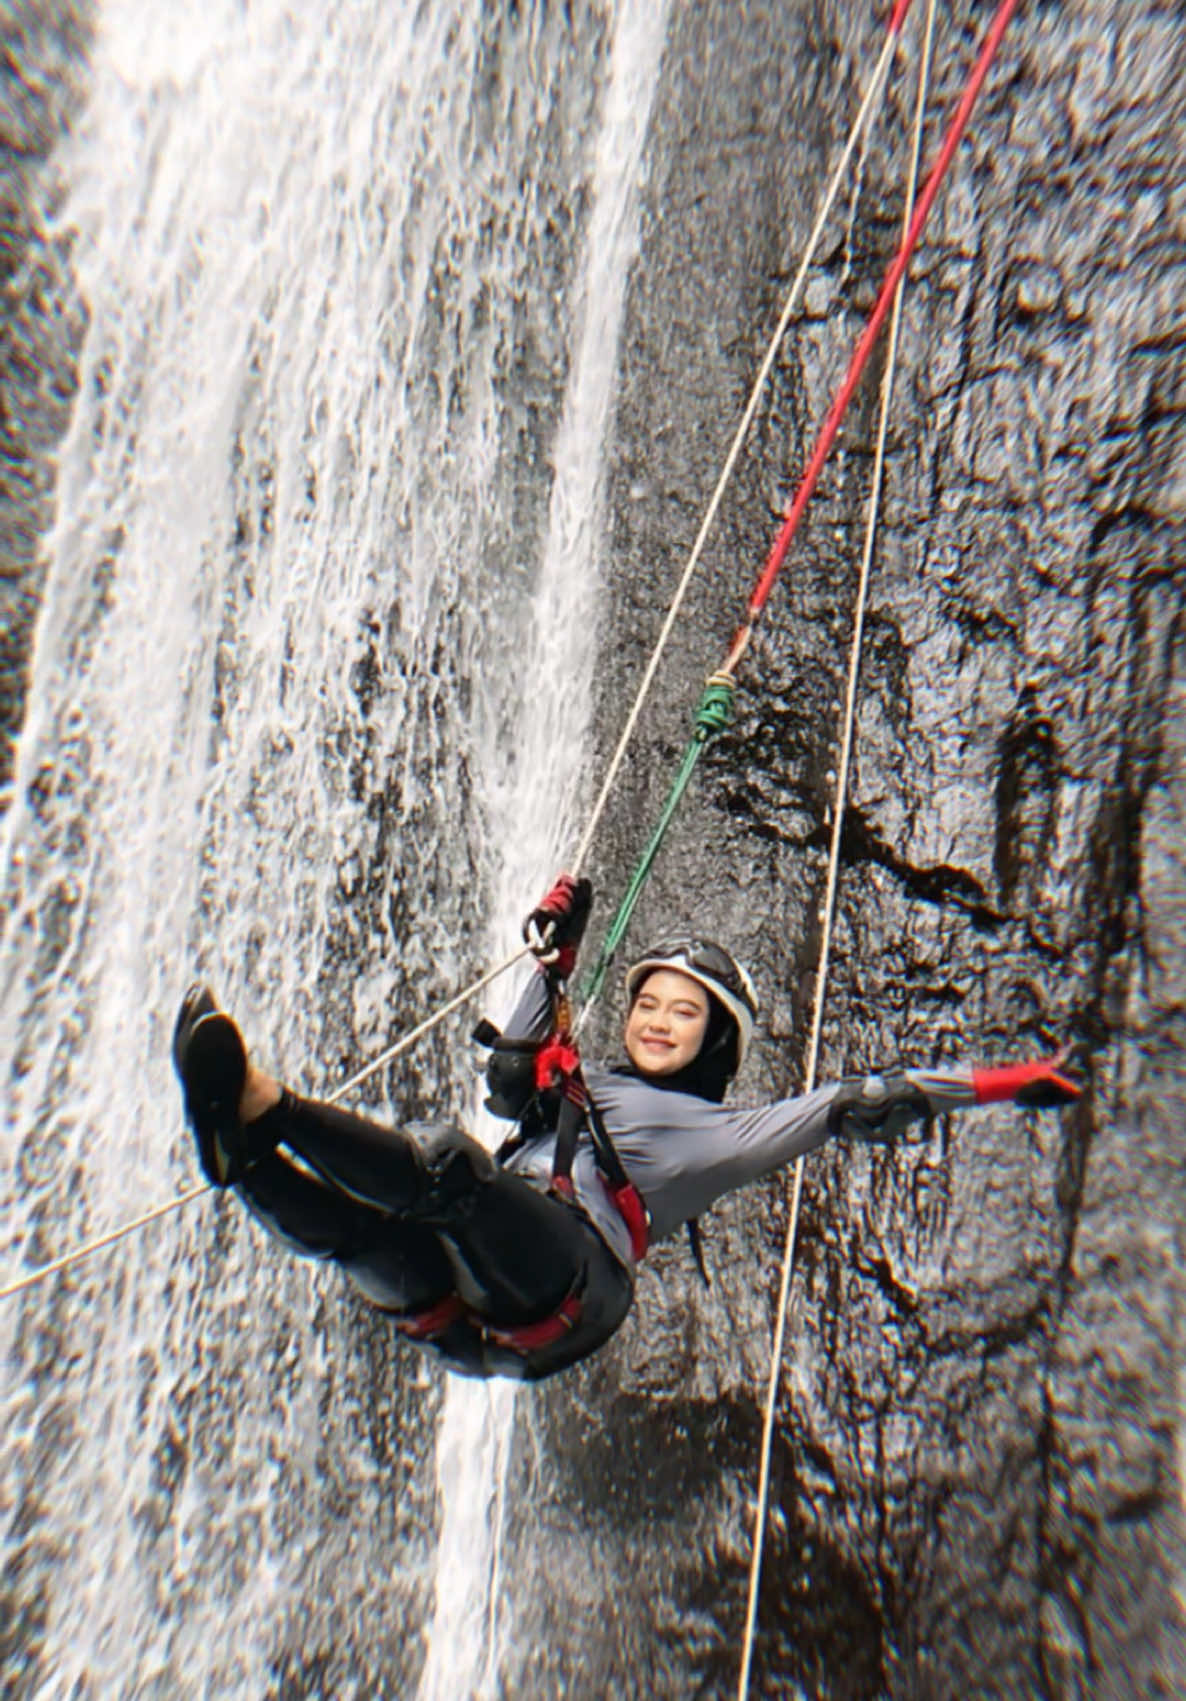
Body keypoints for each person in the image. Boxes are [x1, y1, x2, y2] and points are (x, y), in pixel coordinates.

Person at [173, 876, 1084, 1381]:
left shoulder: (714, 1135)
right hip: (476, 1307)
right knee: (366, 1234)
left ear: (714, 1039)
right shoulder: (587, 1080)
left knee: (448, 1166)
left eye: (681, 1012)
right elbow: (510, 1074)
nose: (653, 1019)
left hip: (571, 1286)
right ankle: (240, 1155)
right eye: (647, 1001)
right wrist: (553, 954)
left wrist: (1003, 1084)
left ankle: (261, 1100)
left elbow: (857, 1103)